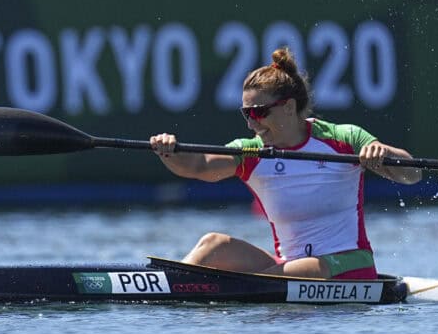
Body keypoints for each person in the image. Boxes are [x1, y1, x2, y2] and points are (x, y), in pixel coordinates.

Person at [150, 48, 421, 279]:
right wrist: (169, 152)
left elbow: (413, 175)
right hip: (287, 268)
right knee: (213, 245)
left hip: (349, 264)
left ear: (289, 107)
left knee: (279, 276)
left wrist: (382, 153)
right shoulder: (251, 151)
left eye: (258, 112)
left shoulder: (343, 138)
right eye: (246, 113)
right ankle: (166, 287)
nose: (251, 123)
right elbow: (199, 166)